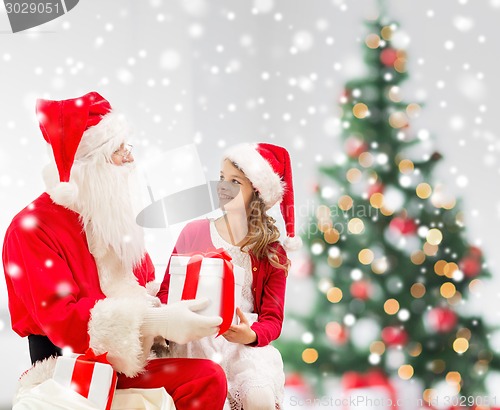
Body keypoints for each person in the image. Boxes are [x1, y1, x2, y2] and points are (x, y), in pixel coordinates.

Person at [2, 91, 227, 409]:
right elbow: (65, 323)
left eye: (128, 147)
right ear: (90, 164)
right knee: (203, 378)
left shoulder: (111, 218)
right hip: (68, 372)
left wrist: (201, 307)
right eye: (119, 151)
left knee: (208, 376)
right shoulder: (31, 228)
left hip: (127, 364)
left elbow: (148, 288)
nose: (131, 159)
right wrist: (155, 321)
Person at [158, 143, 302, 410]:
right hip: (195, 341)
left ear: (255, 193)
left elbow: (272, 319)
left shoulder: (272, 252)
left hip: (241, 346)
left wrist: (249, 335)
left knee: (258, 399)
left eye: (235, 182)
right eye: (222, 178)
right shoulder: (195, 232)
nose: (223, 187)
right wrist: (175, 317)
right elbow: (166, 291)